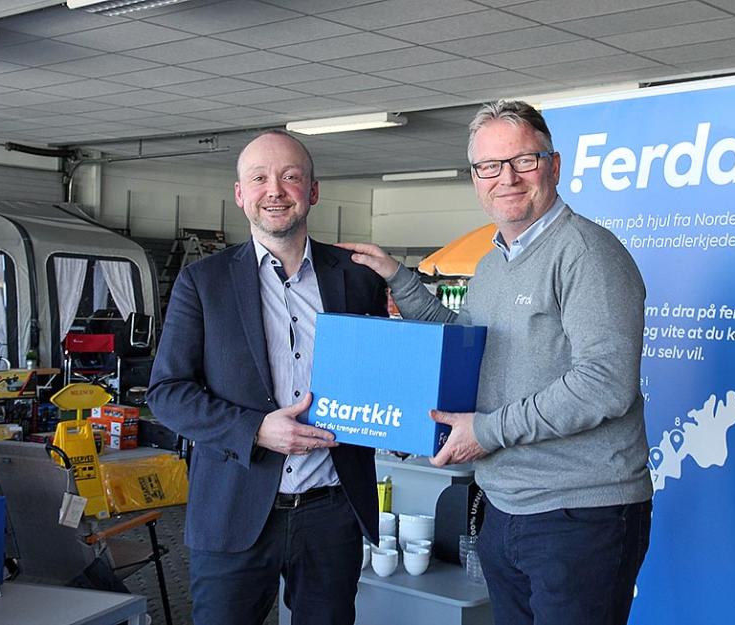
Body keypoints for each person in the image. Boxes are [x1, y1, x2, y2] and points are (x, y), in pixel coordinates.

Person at [340, 100, 653, 625]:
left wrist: (486, 431)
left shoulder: (587, 253)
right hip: (504, 505)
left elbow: (605, 383)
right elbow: (469, 344)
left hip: (579, 513)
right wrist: (399, 279)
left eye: (523, 161)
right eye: (490, 166)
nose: (506, 178)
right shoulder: (492, 264)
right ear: (475, 178)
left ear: (553, 165)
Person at [147, 130, 387, 625]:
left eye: (290, 176)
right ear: (240, 194)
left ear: (313, 191)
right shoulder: (203, 282)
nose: (274, 190)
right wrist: (256, 429)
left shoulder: (359, 277)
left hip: (331, 512)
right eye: (259, 178)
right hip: (233, 508)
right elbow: (167, 393)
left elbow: (379, 376)